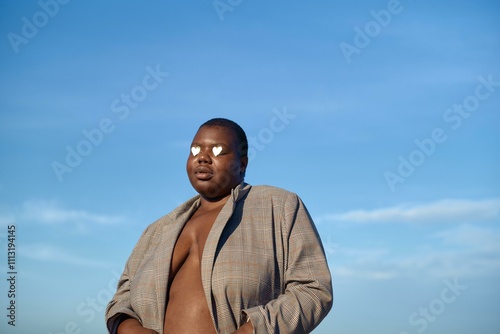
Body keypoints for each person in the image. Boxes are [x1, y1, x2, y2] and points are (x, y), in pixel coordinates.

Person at [105, 118, 333, 334]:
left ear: (242, 164)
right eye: (195, 150)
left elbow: (313, 290)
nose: (202, 157)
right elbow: (122, 300)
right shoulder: (156, 231)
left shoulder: (278, 206)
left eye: (217, 150)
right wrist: (129, 328)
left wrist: (251, 330)